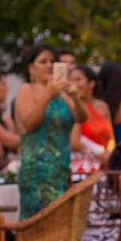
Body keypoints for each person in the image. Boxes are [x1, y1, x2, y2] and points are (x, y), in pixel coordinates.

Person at [14, 44, 87, 219]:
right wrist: (47, 94)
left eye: (51, 62)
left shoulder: (62, 95)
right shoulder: (26, 90)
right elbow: (30, 123)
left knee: (61, 222)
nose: (48, 65)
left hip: (60, 169)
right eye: (43, 61)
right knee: (38, 223)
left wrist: (75, 97)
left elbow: (81, 118)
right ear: (31, 67)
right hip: (36, 172)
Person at [69, 65, 114, 164]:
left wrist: (109, 154)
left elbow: (111, 138)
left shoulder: (103, 107)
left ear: (91, 83)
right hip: (83, 164)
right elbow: (74, 141)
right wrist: (97, 152)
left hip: (104, 163)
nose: (74, 85)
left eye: (78, 80)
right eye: (71, 80)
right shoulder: (72, 106)